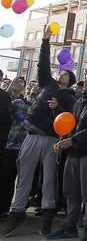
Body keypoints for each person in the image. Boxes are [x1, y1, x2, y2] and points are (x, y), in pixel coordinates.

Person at [4, 27, 76, 237]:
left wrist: (58, 109)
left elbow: (70, 119)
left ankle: (47, 217)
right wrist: (45, 41)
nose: (60, 74)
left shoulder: (70, 98)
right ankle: (17, 212)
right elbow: (43, 64)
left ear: (70, 81)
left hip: (52, 141)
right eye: (60, 72)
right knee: (24, 176)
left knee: (48, 180)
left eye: (65, 74)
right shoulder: (48, 84)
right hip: (32, 135)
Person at [47, 69, 87, 241]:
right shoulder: (80, 102)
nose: (86, 81)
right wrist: (63, 141)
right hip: (74, 153)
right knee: (71, 192)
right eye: (86, 78)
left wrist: (73, 140)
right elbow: (72, 124)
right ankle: (70, 226)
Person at [0, 80, 30, 216]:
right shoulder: (6, 99)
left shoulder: (24, 103)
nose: (16, 84)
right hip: (7, 143)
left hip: (16, 146)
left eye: (21, 82)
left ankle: (5, 207)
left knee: (8, 177)